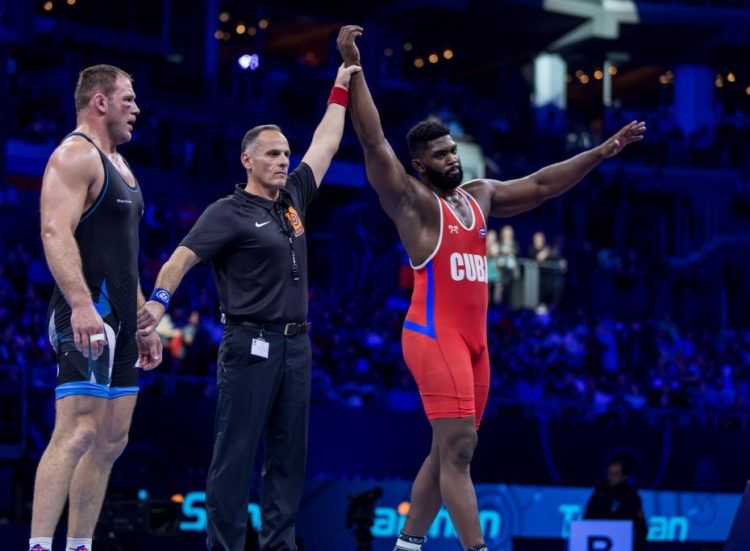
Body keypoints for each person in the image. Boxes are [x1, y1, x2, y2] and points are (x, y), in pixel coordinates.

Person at [336, 25, 646, 551]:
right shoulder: (411, 202)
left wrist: (599, 152)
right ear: (420, 165)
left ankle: (408, 545)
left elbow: (543, 184)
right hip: (433, 334)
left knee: (447, 451)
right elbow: (372, 139)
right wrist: (353, 66)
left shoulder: (478, 196)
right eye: (441, 156)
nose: (453, 160)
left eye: (454, 151)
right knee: (457, 447)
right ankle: (476, 549)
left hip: (476, 344)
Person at [135, 61, 361, 551]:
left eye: (286, 153)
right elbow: (180, 258)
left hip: (297, 345)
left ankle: (280, 546)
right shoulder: (228, 212)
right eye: (273, 154)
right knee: (235, 456)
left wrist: (340, 87)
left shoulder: (293, 197)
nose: (284, 161)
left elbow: (325, 143)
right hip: (248, 342)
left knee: (288, 457)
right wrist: (157, 303)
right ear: (247, 160)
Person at [32, 64, 163, 551]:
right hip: (85, 312)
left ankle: (80, 545)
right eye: (128, 99)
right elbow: (54, 232)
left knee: (111, 440)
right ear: (100, 102)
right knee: (77, 430)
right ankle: (41, 545)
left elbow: (122, 256)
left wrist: (144, 321)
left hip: (122, 318)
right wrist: (82, 306)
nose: (137, 108)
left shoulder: (123, 168)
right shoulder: (74, 155)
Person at [584, 458, 648, 551]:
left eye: (615, 474)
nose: (610, 477)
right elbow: (586, 520)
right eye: (609, 473)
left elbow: (641, 528)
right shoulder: (599, 493)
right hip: (596, 543)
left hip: (622, 544)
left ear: (624, 477)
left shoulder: (632, 497)